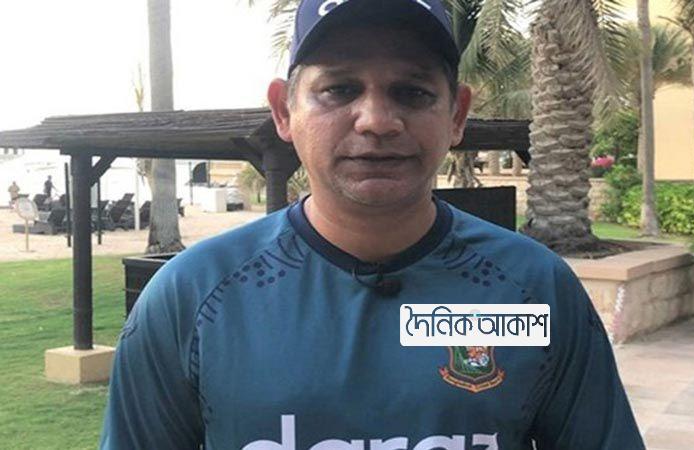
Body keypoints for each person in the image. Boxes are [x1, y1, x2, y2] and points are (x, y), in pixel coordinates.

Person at [100, 0, 646, 448]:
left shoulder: (530, 291)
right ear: (284, 111)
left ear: (456, 115)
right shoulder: (195, 296)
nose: (378, 121)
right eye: (339, 89)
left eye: (412, 92)